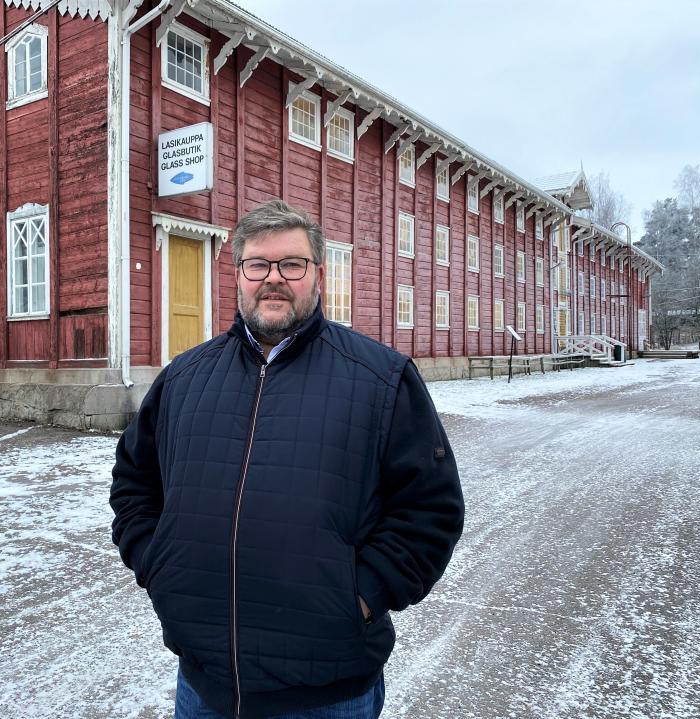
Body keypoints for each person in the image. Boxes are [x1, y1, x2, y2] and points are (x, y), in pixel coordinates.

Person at [110, 200, 465, 719]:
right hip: (204, 687)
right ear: (237, 275)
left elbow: (429, 511)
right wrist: (158, 564)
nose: (273, 279)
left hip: (328, 692)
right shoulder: (185, 378)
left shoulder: (380, 378)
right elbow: (135, 485)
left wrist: (359, 598)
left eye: (291, 264)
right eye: (259, 264)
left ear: (318, 274)